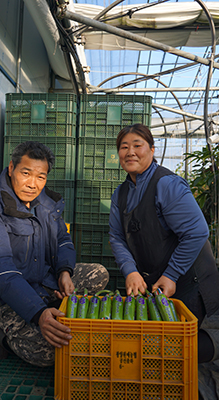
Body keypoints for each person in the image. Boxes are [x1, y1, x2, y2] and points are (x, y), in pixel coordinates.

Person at [0, 141, 109, 366]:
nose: (33, 184)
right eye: (26, 173)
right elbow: (0, 272)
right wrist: (38, 312)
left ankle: (47, 304)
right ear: (11, 168)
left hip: (42, 279)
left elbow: (62, 239)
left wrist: (63, 272)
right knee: (51, 351)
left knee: (98, 274)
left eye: (41, 177)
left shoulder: (46, 202)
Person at [109, 123, 219, 364]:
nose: (130, 152)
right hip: (157, 283)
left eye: (138, 145)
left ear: (152, 149)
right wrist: (130, 271)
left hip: (191, 281)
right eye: (124, 147)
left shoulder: (167, 184)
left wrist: (171, 275)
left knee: (183, 351)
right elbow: (117, 236)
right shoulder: (121, 194)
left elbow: (196, 232)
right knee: (155, 351)